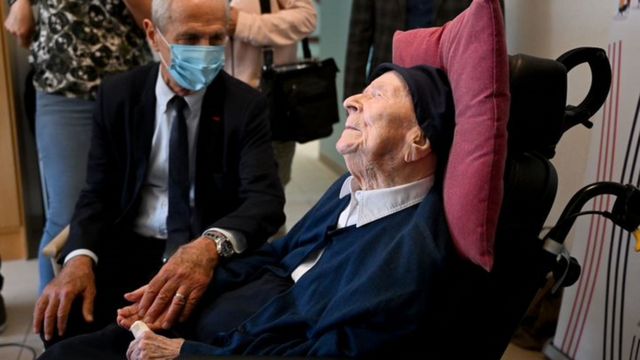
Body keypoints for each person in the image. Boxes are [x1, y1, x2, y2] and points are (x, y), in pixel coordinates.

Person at [39, 62, 457, 359]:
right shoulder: (350, 188)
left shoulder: (406, 258)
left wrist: (183, 352)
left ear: (418, 141)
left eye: (376, 94)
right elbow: (280, 256)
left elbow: (323, 351)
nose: (350, 100)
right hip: (198, 313)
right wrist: (185, 289)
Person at [32, 0, 285, 346]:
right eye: (190, 38)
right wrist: (79, 259)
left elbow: (265, 201)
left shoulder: (244, 105)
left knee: (235, 330)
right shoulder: (119, 95)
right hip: (131, 247)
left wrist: (209, 247)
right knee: (65, 320)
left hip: (205, 252)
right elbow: (98, 192)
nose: (205, 51)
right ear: (153, 34)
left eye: (216, 39)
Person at [4, 0, 154, 294]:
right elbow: (19, 23)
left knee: (133, 209)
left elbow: (159, 19)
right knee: (65, 215)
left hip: (128, 87)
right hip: (62, 88)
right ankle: (51, 327)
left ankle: (125, 318)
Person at [226, 0, 317, 186]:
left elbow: (306, 18)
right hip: (214, 106)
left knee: (268, 191)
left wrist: (243, 24)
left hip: (268, 106)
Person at [344, 0, 473, 99]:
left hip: (447, 87)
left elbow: (477, 31)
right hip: (387, 83)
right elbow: (359, 35)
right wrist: (353, 97)